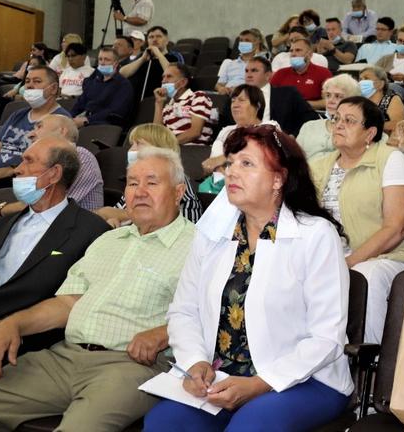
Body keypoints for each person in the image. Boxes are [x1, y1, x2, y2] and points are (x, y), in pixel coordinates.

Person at [145, 126, 352, 431]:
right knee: (163, 422)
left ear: (278, 179)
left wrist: (259, 383)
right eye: (230, 163)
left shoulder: (315, 235)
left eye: (247, 164)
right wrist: (195, 362)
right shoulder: (212, 233)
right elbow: (184, 311)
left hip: (305, 379)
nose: (232, 172)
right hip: (222, 378)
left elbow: (326, 338)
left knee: (251, 425)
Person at [0, 148, 196, 431]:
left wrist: (163, 333)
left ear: (178, 192)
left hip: (131, 366)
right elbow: (67, 303)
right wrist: (14, 323)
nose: (139, 192)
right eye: (132, 183)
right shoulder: (107, 240)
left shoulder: (198, 247)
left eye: (152, 182)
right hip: (64, 357)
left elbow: (210, 316)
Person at [310, 97, 404, 344]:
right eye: (336, 119)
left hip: (386, 258)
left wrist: (348, 262)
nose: (339, 125)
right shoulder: (318, 165)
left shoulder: (389, 159)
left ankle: (369, 356)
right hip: (331, 258)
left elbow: (397, 227)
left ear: (370, 133)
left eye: (349, 121)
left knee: (365, 274)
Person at [0, 136, 110, 353]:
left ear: (54, 174)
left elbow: (74, 304)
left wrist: (11, 326)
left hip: (30, 344)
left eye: (29, 161)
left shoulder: (92, 232)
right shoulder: (1, 225)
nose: (17, 169)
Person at [0, 114, 105, 215]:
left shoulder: (81, 156)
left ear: (62, 131)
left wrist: (1, 211)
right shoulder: (44, 160)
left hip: (70, 228)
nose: (30, 134)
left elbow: (47, 206)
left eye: (39, 127)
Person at [96, 124, 203, 226]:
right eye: (132, 144)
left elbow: (166, 225)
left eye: (139, 144)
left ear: (160, 149)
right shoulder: (137, 181)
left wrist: (122, 215)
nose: (131, 150)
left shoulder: (177, 182)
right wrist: (114, 220)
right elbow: (112, 214)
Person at [0, 66, 71, 184]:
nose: (29, 85)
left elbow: (50, 162)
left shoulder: (61, 120)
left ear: (54, 88)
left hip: (27, 182)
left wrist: (11, 170)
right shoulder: (18, 114)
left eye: (37, 81)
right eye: (27, 81)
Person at [202, 85, 280, 177]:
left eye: (241, 100)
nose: (235, 105)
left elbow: (262, 156)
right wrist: (217, 168)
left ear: (257, 106)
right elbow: (212, 164)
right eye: (233, 101)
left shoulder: (270, 126)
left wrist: (224, 158)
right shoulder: (226, 131)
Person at [298, 75, 360, 160]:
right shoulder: (308, 126)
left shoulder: (358, 130)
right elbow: (296, 159)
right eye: (328, 95)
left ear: (352, 101)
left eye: (338, 96)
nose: (331, 101)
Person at [70, 47, 134, 127]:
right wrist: (68, 117)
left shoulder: (123, 85)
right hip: (86, 121)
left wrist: (87, 120)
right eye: (100, 59)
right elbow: (80, 103)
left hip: (106, 125)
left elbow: (114, 112)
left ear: (116, 63)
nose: (102, 63)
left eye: (107, 60)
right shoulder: (94, 82)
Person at [154, 64, 216, 145]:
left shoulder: (198, 97)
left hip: (191, 149)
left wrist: (167, 145)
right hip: (170, 148)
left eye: (169, 76)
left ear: (183, 82)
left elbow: (195, 132)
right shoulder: (167, 106)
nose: (163, 81)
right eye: (163, 77)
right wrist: (159, 103)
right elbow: (156, 133)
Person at [120, 25, 182, 100]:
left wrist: (158, 53)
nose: (154, 39)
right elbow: (122, 74)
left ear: (167, 41)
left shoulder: (172, 57)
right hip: (136, 99)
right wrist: (142, 59)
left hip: (157, 99)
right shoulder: (143, 58)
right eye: (151, 37)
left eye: (159, 36)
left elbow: (174, 74)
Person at [269, 38, 332, 109]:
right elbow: (268, 97)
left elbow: (330, 101)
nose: (293, 54)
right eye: (291, 51)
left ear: (310, 54)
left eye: (298, 50)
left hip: (312, 113)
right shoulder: (280, 73)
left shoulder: (323, 73)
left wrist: (301, 104)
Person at [215, 29, 267, 95]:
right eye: (241, 40)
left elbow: (261, 84)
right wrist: (221, 89)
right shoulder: (230, 63)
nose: (243, 43)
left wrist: (239, 89)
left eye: (247, 40)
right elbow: (218, 84)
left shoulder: (260, 63)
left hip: (247, 95)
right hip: (227, 95)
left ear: (256, 43)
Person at [359, 65, 404, 134]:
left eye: (366, 78)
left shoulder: (392, 99)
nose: (361, 82)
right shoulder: (359, 101)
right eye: (360, 79)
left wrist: (370, 127)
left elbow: (399, 125)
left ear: (381, 84)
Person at [244, 56, 274, 121]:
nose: (248, 75)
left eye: (254, 71)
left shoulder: (286, 95)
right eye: (246, 71)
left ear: (267, 75)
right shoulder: (236, 97)